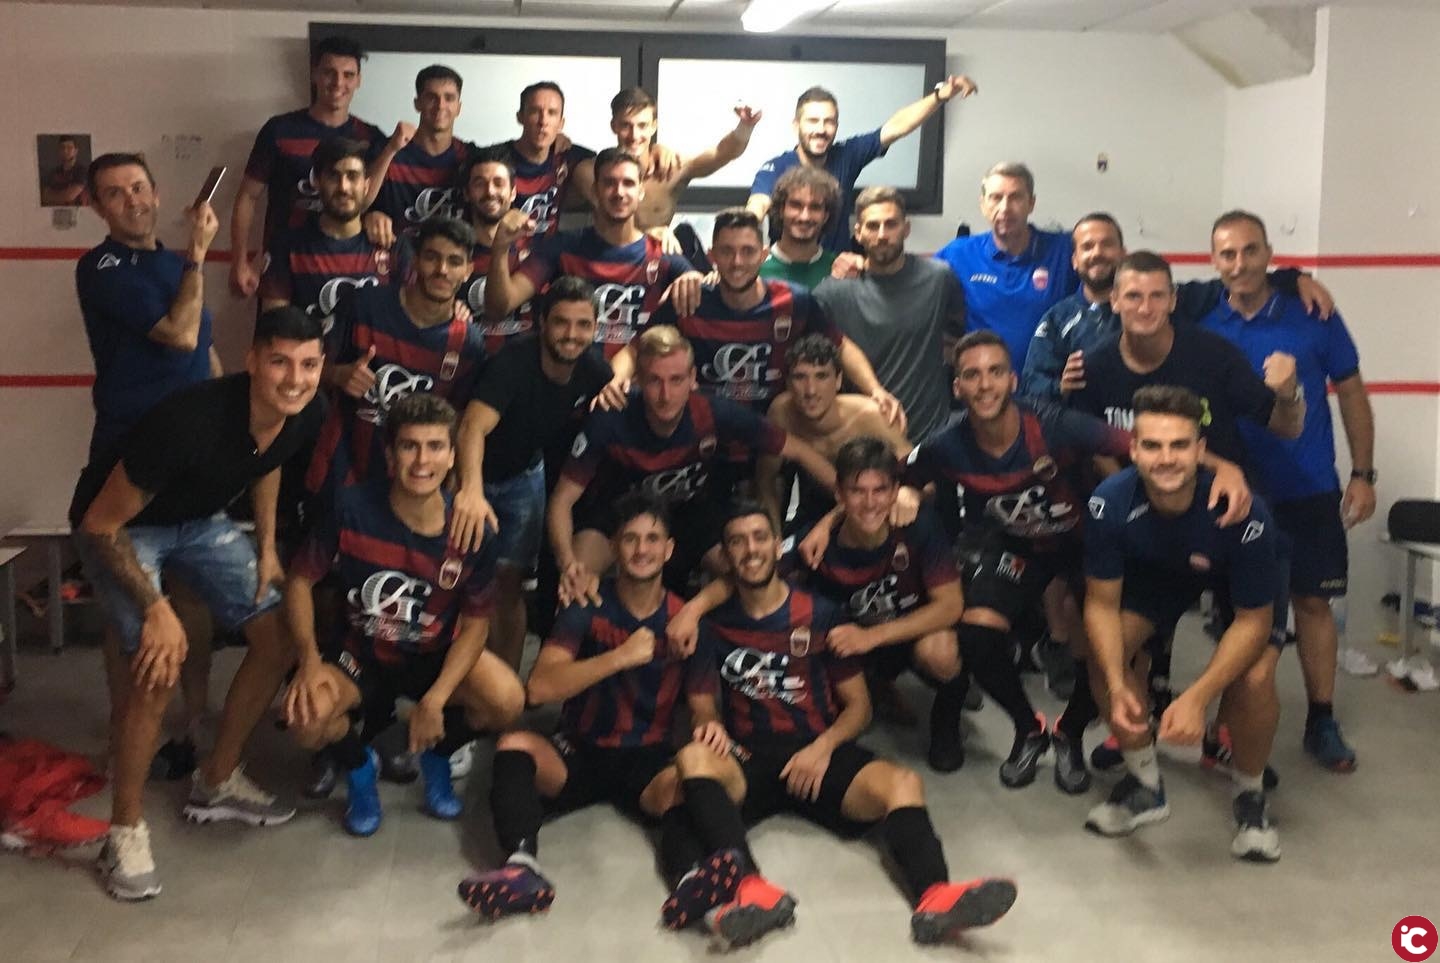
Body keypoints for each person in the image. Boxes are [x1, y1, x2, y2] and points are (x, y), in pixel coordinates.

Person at [668, 501, 1017, 947]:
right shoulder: (712, 625)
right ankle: (750, 890)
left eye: (759, 538)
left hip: (819, 752)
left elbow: (859, 708)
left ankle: (936, 897)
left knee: (903, 783)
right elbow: (701, 704)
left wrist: (822, 747)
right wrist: (709, 723)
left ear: (777, 546)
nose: (750, 550)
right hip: (750, 756)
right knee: (693, 758)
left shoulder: (821, 613)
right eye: (737, 541)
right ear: (726, 554)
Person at [71, 306, 326, 900]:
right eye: (280, 362)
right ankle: (123, 833)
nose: (295, 379)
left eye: (309, 365)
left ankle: (216, 779)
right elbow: (100, 523)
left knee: (278, 635)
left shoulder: (304, 411)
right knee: (159, 664)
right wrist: (156, 607)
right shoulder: (189, 421)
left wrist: (267, 547)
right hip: (123, 528)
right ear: (252, 361)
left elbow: (270, 462)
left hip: (198, 521)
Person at [870, 331, 1141, 790]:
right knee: (976, 633)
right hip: (1016, 545)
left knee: (1099, 641)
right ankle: (1028, 728)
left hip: (1082, 542)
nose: (984, 385)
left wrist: (1222, 472)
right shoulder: (946, 443)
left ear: (1013, 380)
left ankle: (1070, 733)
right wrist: (908, 493)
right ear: (957, 387)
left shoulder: (1055, 424)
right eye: (972, 375)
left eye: (995, 372)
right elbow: (893, 477)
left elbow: (1144, 447)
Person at [456, 494, 730, 926]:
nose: (642, 549)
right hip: (581, 748)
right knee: (514, 745)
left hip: (648, 757)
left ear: (669, 550)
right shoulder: (586, 605)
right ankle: (520, 867)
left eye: (652, 539)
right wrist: (619, 657)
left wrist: (709, 725)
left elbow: (701, 706)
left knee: (685, 786)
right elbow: (539, 688)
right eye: (631, 539)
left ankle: (690, 881)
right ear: (615, 547)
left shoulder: (685, 621)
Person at [281, 393, 523, 835]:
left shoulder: (472, 531)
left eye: (435, 447)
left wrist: (435, 701)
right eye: (410, 446)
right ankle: (359, 768)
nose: (422, 460)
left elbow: (475, 627)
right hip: (361, 652)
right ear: (390, 455)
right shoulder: (349, 508)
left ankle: (437, 755)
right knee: (304, 719)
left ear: (452, 456)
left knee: (507, 701)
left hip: (432, 654)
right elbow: (299, 582)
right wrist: (308, 661)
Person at [1202, 210, 1376, 771]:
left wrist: (1363, 473)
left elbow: (1352, 393)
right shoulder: (1202, 319)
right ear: (1214, 261)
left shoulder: (1313, 314)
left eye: (1250, 250)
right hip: (1236, 492)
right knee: (1242, 612)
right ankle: (1231, 727)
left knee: (1313, 603)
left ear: (1269, 254)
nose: (1239, 263)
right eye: (1227, 254)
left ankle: (1321, 719)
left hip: (1308, 487)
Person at [1083, 385, 1285, 862]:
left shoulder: (1245, 513)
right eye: (1153, 446)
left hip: (1236, 582)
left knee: (1255, 678)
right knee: (1104, 651)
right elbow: (1100, 605)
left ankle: (1251, 795)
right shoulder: (1109, 502)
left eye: (1179, 445)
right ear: (1134, 449)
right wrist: (1116, 683)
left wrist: (1196, 698)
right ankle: (1144, 783)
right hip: (1161, 573)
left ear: (1199, 450)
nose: (1166, 458)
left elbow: (1254, 622)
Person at [76, 151, 222, 781]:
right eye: (115, 193)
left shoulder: (174, 262)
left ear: (158, 194)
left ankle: (193, 723)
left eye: (139, 187)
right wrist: (198, 255)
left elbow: (202, 352)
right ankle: (127, 731)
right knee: (130, 608)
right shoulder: (101, 266)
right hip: (129, 454)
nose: (132, 200)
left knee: (191, 596)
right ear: (96, 206)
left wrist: (224, 417)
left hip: (192, 452)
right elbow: (179, 333)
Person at [547, 325, 834, 600]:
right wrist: (568, 564)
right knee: (575, 584)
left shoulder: (713, 411)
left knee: (751, 572)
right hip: (620, 512)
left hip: (691, 513)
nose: (666, 395)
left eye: (676, 380)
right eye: (655, 380)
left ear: (692, 378)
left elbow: (798, 450)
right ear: (638, 380)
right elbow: (561, 501)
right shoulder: (611, 417)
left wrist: (846, 501)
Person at [449, 277, 614, 670]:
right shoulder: (513, 362)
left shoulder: (593, 369)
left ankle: (507, 683)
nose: (571, 334)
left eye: (583, 324)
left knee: (509, 585)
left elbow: (621, 407)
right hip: (471, 474)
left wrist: (617, 390)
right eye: (561, 322)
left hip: (524, 476)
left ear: (595, 328)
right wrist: (470, 491)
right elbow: (472, 427)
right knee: (459, 581)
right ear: (542, 323)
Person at [613, 207, 899, 419]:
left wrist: (875, 390)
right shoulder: (689, 300)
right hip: (705, 435)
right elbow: (634, 349)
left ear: (763, 255)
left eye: (748, 251)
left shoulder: (794, 301)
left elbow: (841, 346)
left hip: (772, 433)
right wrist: (616, 382)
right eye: (727, 251)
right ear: (712, 256)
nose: (737, 262)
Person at [1019, 212, 1333, 401]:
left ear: (1124, 252)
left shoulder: (1171, 299)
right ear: (1075, 260)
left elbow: (1235, 279)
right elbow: (1031, 383)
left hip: (1168, 445)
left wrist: (1291, 278)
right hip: (1091, 454)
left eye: (1107, 244)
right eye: (1087, 247)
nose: (1145, 308)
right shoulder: (1058, 319)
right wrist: (1060, 387)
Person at [1066, 251, 1305, 465]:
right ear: (1115, 301)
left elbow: (1288, 427)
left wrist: (1289, 395)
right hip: (1130, 496)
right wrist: (1122, 495)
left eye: (1157, 296)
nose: (1145, 308)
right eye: (1133, 296)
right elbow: (1093, 449)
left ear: (1173, 301)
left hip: (1217, 492)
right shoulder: (1091, 367)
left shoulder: (1215, 356)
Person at [305, 217, 486, 497]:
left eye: (454, 262)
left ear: (467, 271)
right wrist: (339, 375)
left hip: (414, 484)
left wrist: (454, 481)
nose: (442, 270)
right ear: (415, 261)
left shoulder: (468, 343)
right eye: (432, 257)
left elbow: (459, 421)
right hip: (342, 472)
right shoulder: (364, 305)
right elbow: (311, 370)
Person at [229, 36, 410, 298]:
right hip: (284, 266)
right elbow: (248, 196)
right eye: (329, 73)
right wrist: (239, 261)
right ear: (314, 74)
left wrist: (391, 151)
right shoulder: (279, 130)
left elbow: (369, 201)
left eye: (348, 75)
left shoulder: (371, 139)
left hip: (348, 267)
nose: (338, 83)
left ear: (358, 80)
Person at [482, 148, 702, 360]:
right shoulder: (563, 246)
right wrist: (500, 247)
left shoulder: (662, 253)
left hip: (637, 380)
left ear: (641, 191)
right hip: (571, 375)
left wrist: (694, 279)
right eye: (609, 183)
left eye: (628, 183)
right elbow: (499, 307)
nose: (619, 192)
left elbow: (707, 290)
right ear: (595, 190)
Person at [747, 78, 978, 251]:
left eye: (829, 122)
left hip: (838, 272)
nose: (821, 129)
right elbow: (757, 205)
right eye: (813, 121)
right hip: (786, 273)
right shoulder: (776, 168)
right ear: (796, 125)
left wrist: (940, 96)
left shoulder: (846, 155)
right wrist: (746, 234)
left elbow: (896, 127)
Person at [815, 186, 965, 444]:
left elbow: (955, 342)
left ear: (906, 229)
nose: (882, 235)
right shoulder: (832, 293)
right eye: (873, 226)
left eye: (891, 224)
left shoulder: (939, 279)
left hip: (929, 438)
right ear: (858, 233)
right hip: (861, 444)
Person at [933, 162, 1076, 370]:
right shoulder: (958, 254)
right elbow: (913, 284)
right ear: (983, 204)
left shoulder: (1064, 250)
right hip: (983, 384)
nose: (1005, 208)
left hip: (1047, 383)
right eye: (996, 198)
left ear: (1031, 203)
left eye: (1015, 197)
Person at [766, 334, 912, 538]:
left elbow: (920, 474)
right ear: (788, 383)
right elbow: (766, 481)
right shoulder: (781, 414)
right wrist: (774, 539)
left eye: (821, 376)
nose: (811, 390)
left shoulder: (871, 417)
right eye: (800, 377)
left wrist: (910, 491)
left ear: (838, 380)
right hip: (813, 510)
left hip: (874, 512)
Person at [259, 137, 407, 335]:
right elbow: (274, 331)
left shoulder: (393, 246)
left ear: (366, 185)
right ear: (317, 183)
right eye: (333, 176)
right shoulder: (286, 247)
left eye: (352, 176)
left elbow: (410, 322)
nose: (343, 187)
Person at [572, 87, 760, 231]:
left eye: (642, 125)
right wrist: (650, 236)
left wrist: (745, 126)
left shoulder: (673, 168)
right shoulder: (591, 173)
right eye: (626, 126)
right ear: (614, 126)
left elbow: (722, 153)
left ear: (653, 126)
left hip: (659, 263)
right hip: (610, 261)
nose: (634, 135)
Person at [365, 64, 475, 240]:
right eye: (432, 97)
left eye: (449, 98)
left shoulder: (470, 157)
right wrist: (369, 216)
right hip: (397, 254)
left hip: (452, 255)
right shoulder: (388, 149)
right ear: (417, 103)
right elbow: (360, 202)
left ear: (459, 107)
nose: (440, 105)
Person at [483, 81, 596, 240]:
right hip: (500, 249)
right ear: (520, 117)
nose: (543, 121)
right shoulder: (495, 160)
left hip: (548, 252)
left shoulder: (567, 155)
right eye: (535, 111)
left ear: (561, 123)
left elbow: (608, 169)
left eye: (552, 113)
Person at [455, 150, 535, 354]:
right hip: (466, 362)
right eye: (479, 184)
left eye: (499, 183)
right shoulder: (451, 253)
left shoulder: (535, 250)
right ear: (466, 193)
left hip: (522, 363)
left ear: (513, 192)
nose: (490, 192)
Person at [758, 167, 842, 289]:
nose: (804, 217)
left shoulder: (839, 268)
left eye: (815, 207)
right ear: (781, 210)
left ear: (826, 216)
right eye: (796, 205)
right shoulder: (756, 267)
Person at [41, 134, 87, 205]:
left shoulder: (83, 171)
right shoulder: (53, 172)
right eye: (62, 147)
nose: (65, 151)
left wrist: (53, 196)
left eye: (69, 147)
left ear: (76, 151)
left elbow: (69, 196)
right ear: (59, 151)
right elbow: (44, 196)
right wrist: (62, 196)